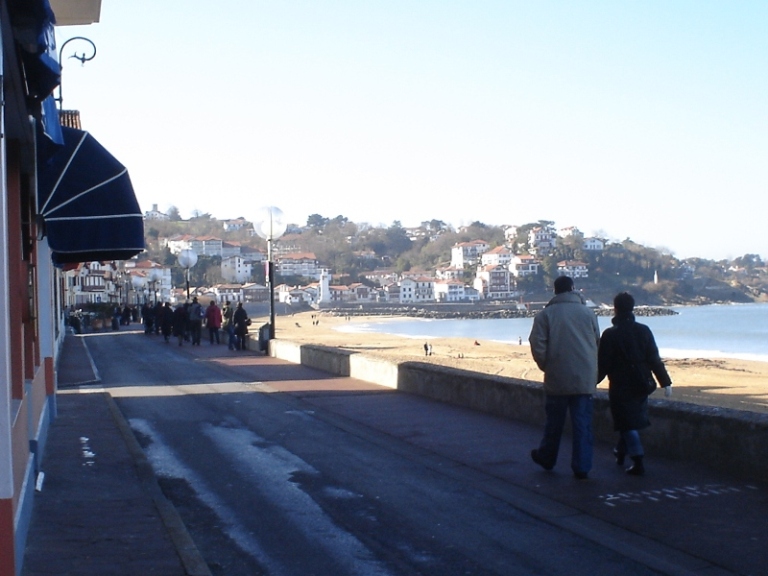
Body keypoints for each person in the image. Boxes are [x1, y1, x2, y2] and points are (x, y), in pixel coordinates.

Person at [529, 276, 601, 479]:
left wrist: (547, 365)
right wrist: (591, 367)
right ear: (573, 289)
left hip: (557, 375)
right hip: (584, 377)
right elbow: (597, 342)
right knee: (582, 424)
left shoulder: (545, 315)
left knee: (554, 423)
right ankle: (582, 466)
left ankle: (547, 457)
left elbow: (537, 344)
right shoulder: (589, 313)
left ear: (555, 291)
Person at [598, 292, 673, 476]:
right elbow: (654, 359)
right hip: (642, 383)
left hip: (620, 385)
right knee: (630, 420)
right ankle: (620, 451)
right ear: (632, 308)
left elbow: (603, 364)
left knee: (626, 423)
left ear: (615, 309)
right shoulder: (644, 330)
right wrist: (665, 382)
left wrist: (592, 382)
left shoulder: (610, 334)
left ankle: (637, 459)